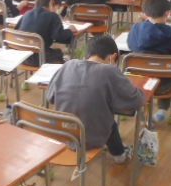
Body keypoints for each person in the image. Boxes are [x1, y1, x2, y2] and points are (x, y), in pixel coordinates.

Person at [47, 36, 144, 164]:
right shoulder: (109, 71)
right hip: (90, 138)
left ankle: (119, 152)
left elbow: (50, 97)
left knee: (98, 114)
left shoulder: (68, 65)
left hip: (64, 132)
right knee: (106, 119)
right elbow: (136, 101)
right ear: (113, 57)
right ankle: (119, 155)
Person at [16, 0, 75, 65]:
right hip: (39, 58)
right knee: (58, 53)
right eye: (57, 8)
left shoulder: (27, 13)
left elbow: (16, 30)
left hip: (21, 56)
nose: (57, 11)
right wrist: (69, 30)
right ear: (52, 2)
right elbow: (59, 36)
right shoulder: (53, 16)